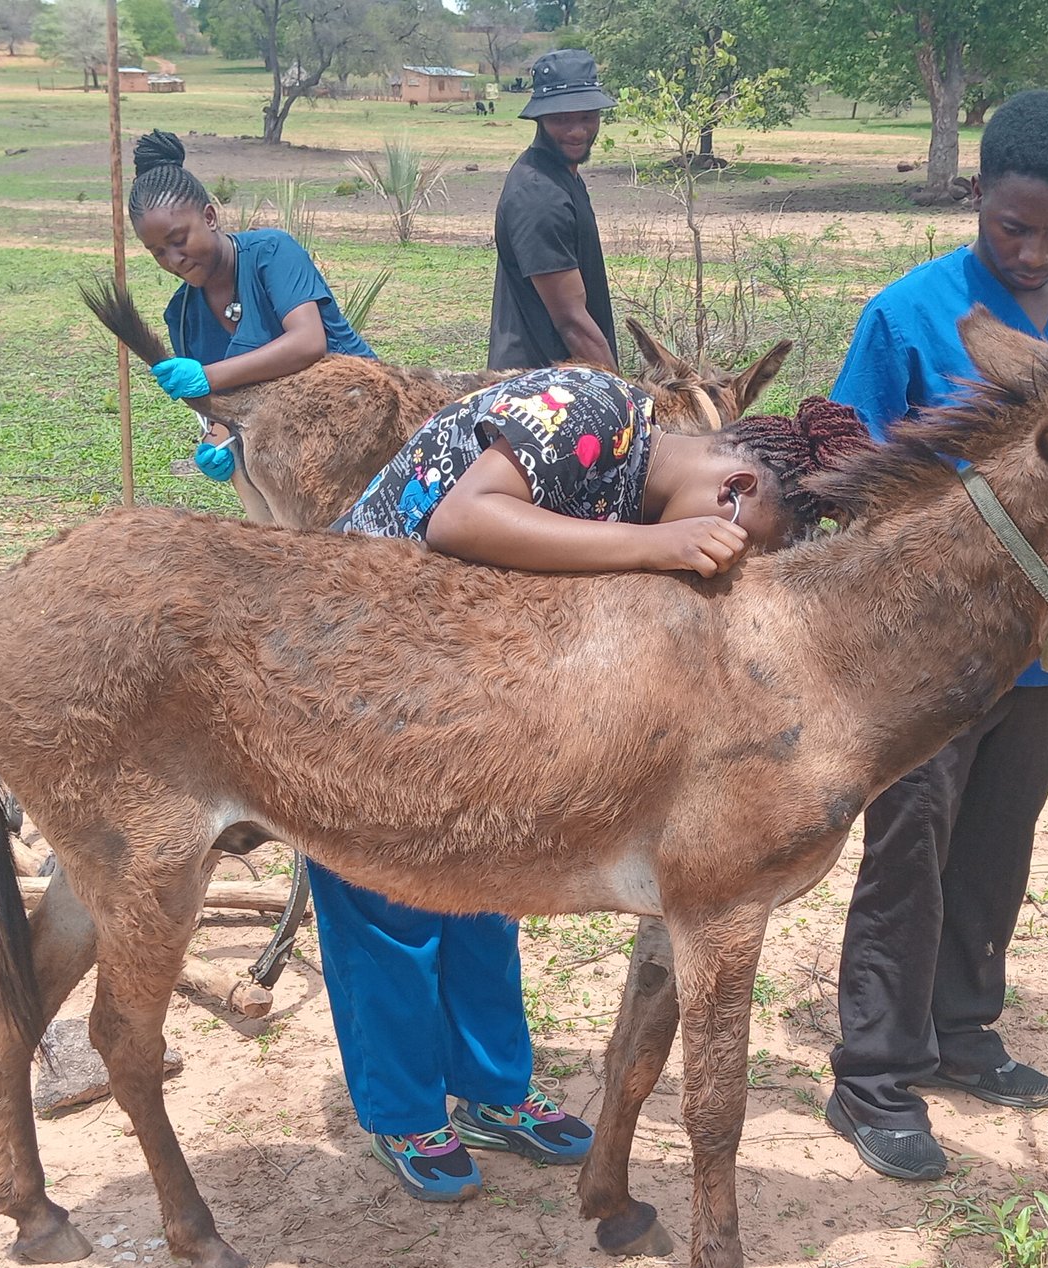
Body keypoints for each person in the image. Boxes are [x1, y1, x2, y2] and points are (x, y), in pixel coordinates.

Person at [325, 366, 866, 1200]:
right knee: (385, 899)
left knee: (479, 891)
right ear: (736, 487)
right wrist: (659, 546)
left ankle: (493, 1093)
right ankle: (403, 1111)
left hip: (466, 685)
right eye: (753, 539)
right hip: (366, 668)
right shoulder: (594, 409)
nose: (738, 562)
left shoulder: (636, 490)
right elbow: (462, 518)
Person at [822, 89, 1048, 1182]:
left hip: (1047, 648)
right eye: (1007, 227)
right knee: (907, 848)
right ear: (976, 195)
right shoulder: (907, 313)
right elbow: (848, 468)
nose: (1027, 251)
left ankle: (966, 1030)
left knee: (997, 840)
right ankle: (872, 1075)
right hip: (927, 655)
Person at [125, 129, 373, 483]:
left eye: (179, 241)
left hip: (361, 414)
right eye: (158, 252)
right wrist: (215, 442)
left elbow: (308, 343)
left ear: (210, 217)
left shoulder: (271, 253)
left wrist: (206, 376)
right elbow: (223, 410)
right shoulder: (182, 318)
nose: (174, 260)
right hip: (296, 448)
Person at [489, 48, 617, 371]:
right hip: (538, 393)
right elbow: (572, 324)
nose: (577, 131)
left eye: (587, 116)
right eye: (561, 119)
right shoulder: (539, 195)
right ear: (541, 119)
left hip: (561, 380)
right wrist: (627, 401)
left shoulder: (563, 176)